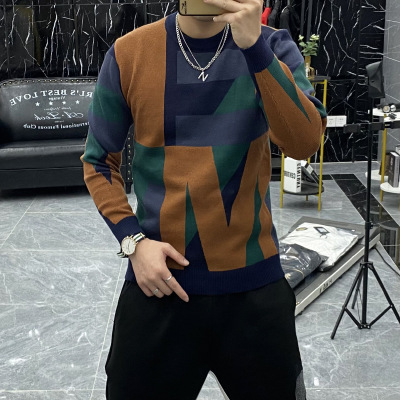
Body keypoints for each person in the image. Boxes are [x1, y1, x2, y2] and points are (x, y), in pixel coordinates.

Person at [80, 0, 327, 397]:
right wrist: (132, 241)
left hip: (254, 286)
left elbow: (304, 142)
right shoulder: (130, 53)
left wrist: (254, 49)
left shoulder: (273, 46)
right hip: (159, 283)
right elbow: (98, 161)